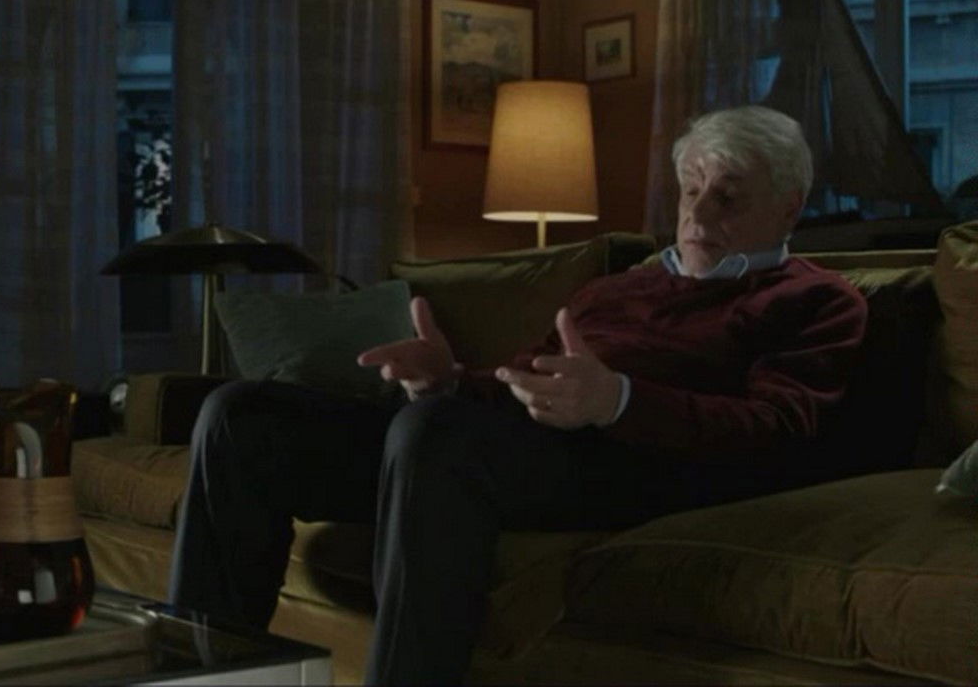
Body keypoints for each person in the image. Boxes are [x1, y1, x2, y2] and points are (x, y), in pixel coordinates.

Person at [167, 105, 868, 685]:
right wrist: (450, 380)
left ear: (789, 206)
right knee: (240, 416)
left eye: (729, 196)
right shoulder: (617, 287)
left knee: (436, 435)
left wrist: (618, 401)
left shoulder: (816, 299)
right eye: (691, 189)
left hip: (642, 464)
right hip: (518, 448)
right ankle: (201, 677)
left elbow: (778, 427)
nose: (699, 212)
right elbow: (520, 382)